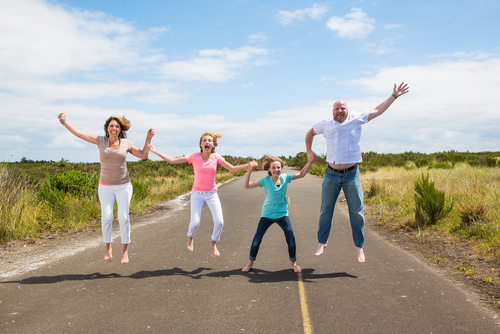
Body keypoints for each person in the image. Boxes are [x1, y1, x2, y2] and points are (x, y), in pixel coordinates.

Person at [305, 83, 409, 263]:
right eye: (337, 108)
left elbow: (377, 110)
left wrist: (394, 96)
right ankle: (322, 242)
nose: (339, 111)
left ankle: (359, 248)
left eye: (342, 108)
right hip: (331, 174)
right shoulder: (325, 123)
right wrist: (309, 151)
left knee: (357, 212)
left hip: (351, 174)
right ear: (332, 110)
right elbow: (310, 133)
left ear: (347, 110)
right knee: (326, 210)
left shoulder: (356, 118)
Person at [57, 112, 155, 265]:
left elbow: (143, 155)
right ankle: (108, 247)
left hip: (123, 186)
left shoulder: (126, 143)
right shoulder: (100, 141)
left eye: (117, 126)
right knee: (107, 217)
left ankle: (124, 251)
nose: (114, 128)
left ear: (120, 129)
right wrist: (63, 121)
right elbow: (79, 134)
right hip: (105, 187)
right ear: (107, 128)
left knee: (123, 218)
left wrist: (148, 139)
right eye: (111, 126)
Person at [149, 132, 254, 257]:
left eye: (209, 141)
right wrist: (155, 151)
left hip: (212, 194)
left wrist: (247, 166)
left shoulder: (216, 157)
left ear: (213, 145)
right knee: (195, 222)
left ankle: (213, 243)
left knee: (219, 222)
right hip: (197, 194)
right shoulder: (194, 156)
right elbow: (172, 160)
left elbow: (232, 169)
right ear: (200, 144)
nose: (207, 142)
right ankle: (190, 239)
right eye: (205, 140)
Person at [241, 154, 315, 273]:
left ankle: (293, 264)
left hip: (282, 215)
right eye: (274, 168)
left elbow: (301, 174)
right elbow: (247, 185)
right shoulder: (265, 181)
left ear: (281, 168)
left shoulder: (285, 178)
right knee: (257, 239)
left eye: (278, 167)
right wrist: (249, 170)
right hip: (267, 214)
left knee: (290, 237)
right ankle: (250, 263)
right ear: (269, 169)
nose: (276, 170)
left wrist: (310, 163)